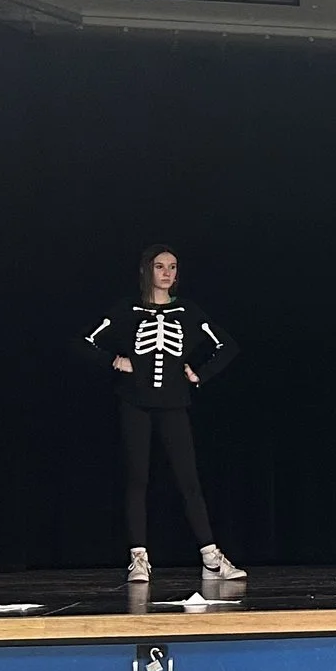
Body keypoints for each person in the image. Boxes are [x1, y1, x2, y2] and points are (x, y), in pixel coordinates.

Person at [81, 246, 243, 584]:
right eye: (159, 266)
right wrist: (114, 360)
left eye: (172, 267)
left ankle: (211, 557)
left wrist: (200, 374)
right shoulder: (128, 309)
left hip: (173, 403)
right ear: (147, 271)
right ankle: (138, 557)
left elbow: (226, 345)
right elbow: (85, 342)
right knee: (138, 479)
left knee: (189, 481)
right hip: (134, 402)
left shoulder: (188, 311)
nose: (166, 273)